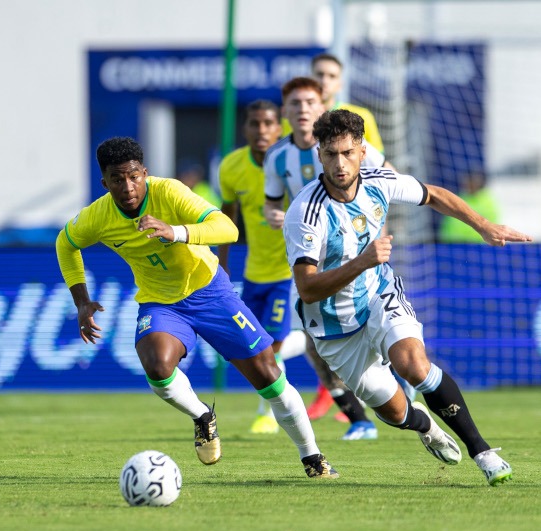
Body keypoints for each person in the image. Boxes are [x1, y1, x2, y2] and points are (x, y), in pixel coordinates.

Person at [55, 136, 338, 479]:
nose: (127, 186)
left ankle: (312, 457)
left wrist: (175, 231)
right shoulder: (97, 216)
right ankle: (203, 416)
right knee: (157, 367)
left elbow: (228, 229)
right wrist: (82, 302)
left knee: (268, 375)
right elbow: (65, 244)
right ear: (105, 182)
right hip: (161, 302)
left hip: (210, 291)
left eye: (133, 176)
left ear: (145, 172)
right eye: (117, 179)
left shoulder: (170, 192)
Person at [284, 109, 533, 485]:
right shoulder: (305, 211)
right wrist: (362, 261)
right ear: (319, 153)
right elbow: (307, 287)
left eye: (348, 153)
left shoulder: (380, 182)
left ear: (362, 151)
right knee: (397, 412)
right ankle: (426, 427)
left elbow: (433, 195)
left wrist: (483, 226)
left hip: (379, 295)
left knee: (414, 366)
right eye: (331, 153)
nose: (340, 163)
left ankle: (483, 453)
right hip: (334, 328)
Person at [263, 76, 393, 441]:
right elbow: (271, 202)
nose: (302, 110)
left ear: (321, 106)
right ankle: (361, 418)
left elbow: (389, 181)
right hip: (310, 257)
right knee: (313, 340)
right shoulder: (277, 156)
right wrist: (273, 214)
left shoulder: (350, 147)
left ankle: (392, 380)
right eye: (295, 104)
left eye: (309, 103)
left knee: (367, 327)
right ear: (285, 112)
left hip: (357, 250)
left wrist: (375, 224)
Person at [217, 100, 288, 435]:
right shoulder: (231, 167)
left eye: (268, 123)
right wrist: (222, 267)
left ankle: (268, 412)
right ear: (246, 129)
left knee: (271, 346)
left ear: (280, 127)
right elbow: (226, 218)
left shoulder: (294, 161)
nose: (261, 130)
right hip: (254, 271)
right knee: (260, 345)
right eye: (255, 123)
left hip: (293, 270)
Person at [280, 52, 384, 154]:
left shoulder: (363, 116)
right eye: (320, 74)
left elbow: (379, 161)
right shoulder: (291, 117)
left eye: (332, 76)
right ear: (310, 79)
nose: (324, 81)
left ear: (340, 84)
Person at [439, 172, 500, 243]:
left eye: (472, 182)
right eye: (467, 182)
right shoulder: (458, 198)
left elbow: (490, 226)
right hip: (453, 244)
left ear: (479, 183)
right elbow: (449, 223)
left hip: (477, 244)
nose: (469, 185)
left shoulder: (487, 202)